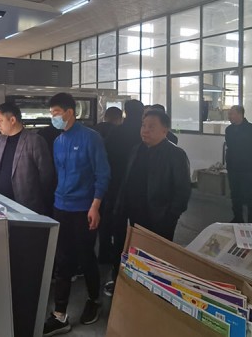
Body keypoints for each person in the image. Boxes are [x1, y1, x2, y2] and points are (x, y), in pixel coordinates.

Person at [105, 109, 192, 296]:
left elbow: (183, 190)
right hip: (134, 215)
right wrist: (120, 207)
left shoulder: (176, 154)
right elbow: (127, 181)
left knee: (157, 257)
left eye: (151, 127)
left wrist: (171, 216)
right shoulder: (137, 150)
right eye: (143, 125)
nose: (145, 130)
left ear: (165, 130)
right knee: (135, 253)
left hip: (159, 217)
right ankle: (135, 286)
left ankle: (156, 293)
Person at [44, 93, 110, 336]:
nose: (53, 118)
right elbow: (60, 175)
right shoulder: (58, 141)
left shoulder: (91, 138)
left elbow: (103, 174)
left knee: (86, 257)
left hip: (84, 208)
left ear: (69, 112)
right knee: (63, 260)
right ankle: (60, 314)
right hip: (61, 206)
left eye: (56, 113)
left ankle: (94, 299)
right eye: (52, 114)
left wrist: (95, 206)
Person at [0, 102, 54, 215]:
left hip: (25, 206)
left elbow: (46, 175)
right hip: (1, 202)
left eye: (0, 120)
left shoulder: (34, 141)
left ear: (12, 120)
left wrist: (43, 203)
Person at [99, 100, 144, 267]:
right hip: (139, 187)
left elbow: (105, 156)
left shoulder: (117, 132)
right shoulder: (143, 133)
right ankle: (136, 259)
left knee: (112, 220)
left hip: (115, 183)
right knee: (138, 225)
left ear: (126, 112)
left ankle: (109, 255)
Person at [225, 105, 252, 223]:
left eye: (231, 114)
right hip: (233, 169)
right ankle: (238, 218)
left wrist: (251, 163)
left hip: (248, 170)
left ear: (240, 114)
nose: (229, 116)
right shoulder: (229, 130)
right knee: (235, 195)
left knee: (250, 196)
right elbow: (230, 148)